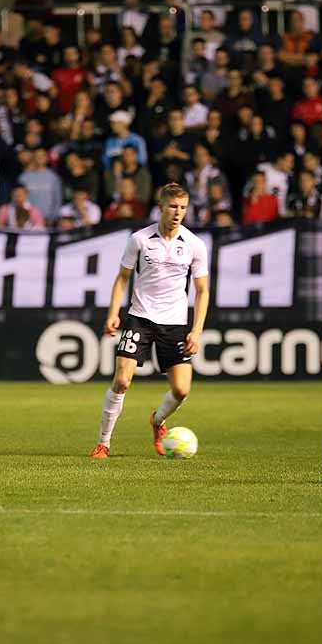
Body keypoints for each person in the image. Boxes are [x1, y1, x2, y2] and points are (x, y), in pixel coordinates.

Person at [92, 184, 210, 459]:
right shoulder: (139, 239)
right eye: (173, 207)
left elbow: (202, 290)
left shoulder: (194, 244)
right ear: (161, 207)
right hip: (140, 318)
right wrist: (113, 313)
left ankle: (157, 421)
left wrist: (197, 330)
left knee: (181, 389)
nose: (178, 212)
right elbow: (122, 278)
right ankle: (103, 443)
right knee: (122, 380)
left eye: (182, 207)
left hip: (175, 323)